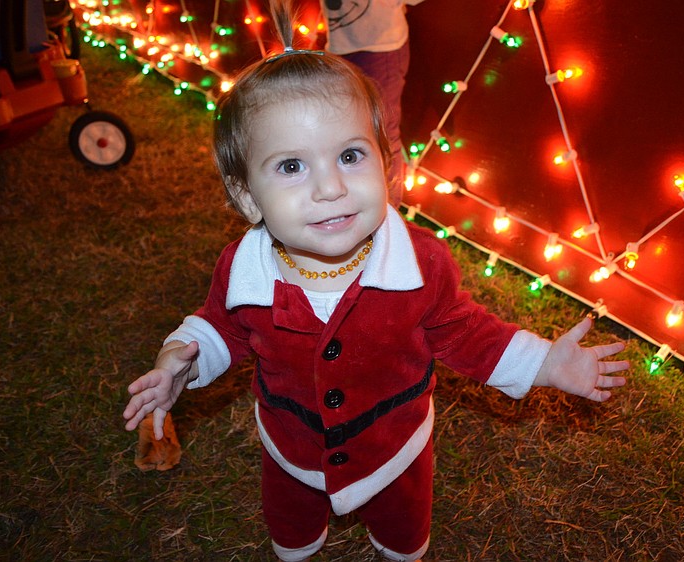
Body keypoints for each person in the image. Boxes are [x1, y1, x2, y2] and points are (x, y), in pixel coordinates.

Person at [122, 1, 628, 560]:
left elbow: (467, 333)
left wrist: (544, 364)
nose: (331, 187)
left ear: (385, 162)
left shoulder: (420, 263)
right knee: (291, 522)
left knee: (402, 522)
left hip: (396, 442)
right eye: (292, 166)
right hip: (291, 445)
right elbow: (222, 325)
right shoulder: (244, 269)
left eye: (350, 155)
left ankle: (400, 548)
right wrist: (182, 361)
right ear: (246, 197)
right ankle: (297, 545)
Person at [319, 0, 425, 208]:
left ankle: (387, 215)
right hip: (343, 44)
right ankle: (353, 204)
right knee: (344, 129)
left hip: (381, 47)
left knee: (382, 132)